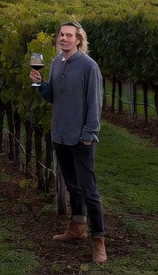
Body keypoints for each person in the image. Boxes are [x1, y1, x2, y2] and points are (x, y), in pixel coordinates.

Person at [30, 20, 107, 263]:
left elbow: (95, 102)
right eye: (61, 35)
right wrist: (39, 83)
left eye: (69, 35)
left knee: (89, 190)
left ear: (79, 40)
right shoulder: (56, 62)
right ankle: (76, 226)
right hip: (60, 135)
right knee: (72, 185)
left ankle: (98, 239)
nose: (64, 38)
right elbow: (53, 96)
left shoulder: (89, 66)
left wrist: (89, 134)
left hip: (81, 137)